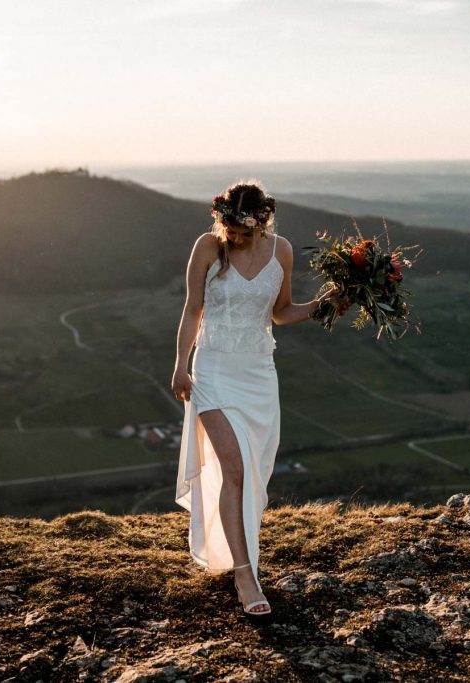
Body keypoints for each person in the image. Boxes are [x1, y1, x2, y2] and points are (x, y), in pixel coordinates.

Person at [171, 179, 347, 617]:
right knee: (234, 468)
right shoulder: (208, 248)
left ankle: (237, 552)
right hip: (212, 371)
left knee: (253, 474)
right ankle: (245, 576)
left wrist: (324, 304)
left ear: (262, 223)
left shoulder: (281, 250)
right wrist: (179, 362)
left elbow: (281, 312)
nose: (234, 238)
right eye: (229, 229)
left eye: (243, 232)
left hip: (258, 376)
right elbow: (193, 309)